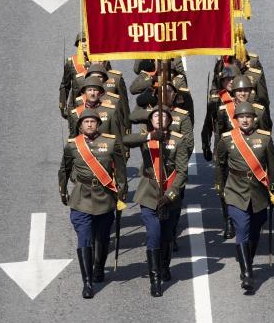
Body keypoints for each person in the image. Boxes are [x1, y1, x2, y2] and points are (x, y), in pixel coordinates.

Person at [124, 108, 193, 297]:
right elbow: (125, 141)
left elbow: (181, 171)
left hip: (170, 192)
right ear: (150, 120)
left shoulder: (178, 140)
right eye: (155, 116)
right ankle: (155, 280)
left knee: (167, 235)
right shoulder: (146, 137)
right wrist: (150, 137)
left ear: (170, 120)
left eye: (163, 116)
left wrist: (170, 195)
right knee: (153, 234)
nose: (159, 119)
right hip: (148, 192)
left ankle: (164, 266)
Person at [214, 102, 274, 292]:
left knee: (255, 228)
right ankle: (247, 274)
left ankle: (248, 262)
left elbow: (272, 166)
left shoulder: (265, 139)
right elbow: (219, 163)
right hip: (235, 190)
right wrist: (219, 184)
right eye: (241, 117)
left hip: (258, 191)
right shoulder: (227, 139)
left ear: (254, 119)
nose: (245, 120)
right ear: (236, 120)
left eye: (248, 117)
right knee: (242, 228)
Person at [58, 109, 127, 298]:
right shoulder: (73, 145)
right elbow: (64, 169)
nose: (89, 124)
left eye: (93, 121)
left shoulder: (111, 143)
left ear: (98, 124)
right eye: (86, 121)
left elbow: (120, 171)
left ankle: (99, 268)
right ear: (80, 125)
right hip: (81, 197)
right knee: (84, 238)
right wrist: (63, 190)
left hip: (104, 196)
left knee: (103, 237)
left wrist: (122, 193)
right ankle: (87, 282)